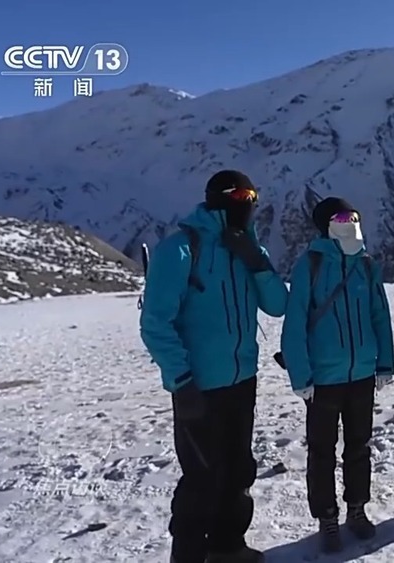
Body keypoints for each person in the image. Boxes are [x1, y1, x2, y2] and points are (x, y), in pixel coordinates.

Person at [140, 169, 289, 563]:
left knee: (238, 470)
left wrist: (256, 261)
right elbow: (155, 324)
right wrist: (181, 380)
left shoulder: (247, 248)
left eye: (253, 198)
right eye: (242, 197)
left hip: (242, 380)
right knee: (201, 479)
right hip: (198, 386)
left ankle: (227, 547)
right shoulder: (180, 250)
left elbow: (278, 305)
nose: (250, 205)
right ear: (221, 199)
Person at [279, 196, 394, 554]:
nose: (351, 222)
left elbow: (380, 315)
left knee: (359, 447)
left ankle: (356, 509)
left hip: (361, 374)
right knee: (322, 452)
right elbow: (295, 323)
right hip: (324, 379)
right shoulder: (310, 265)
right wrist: (301, 377)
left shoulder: (366, 265)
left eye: (354, 216)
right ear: (326, 225)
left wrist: (385, 363)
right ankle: (327, 517)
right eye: (343, 217)